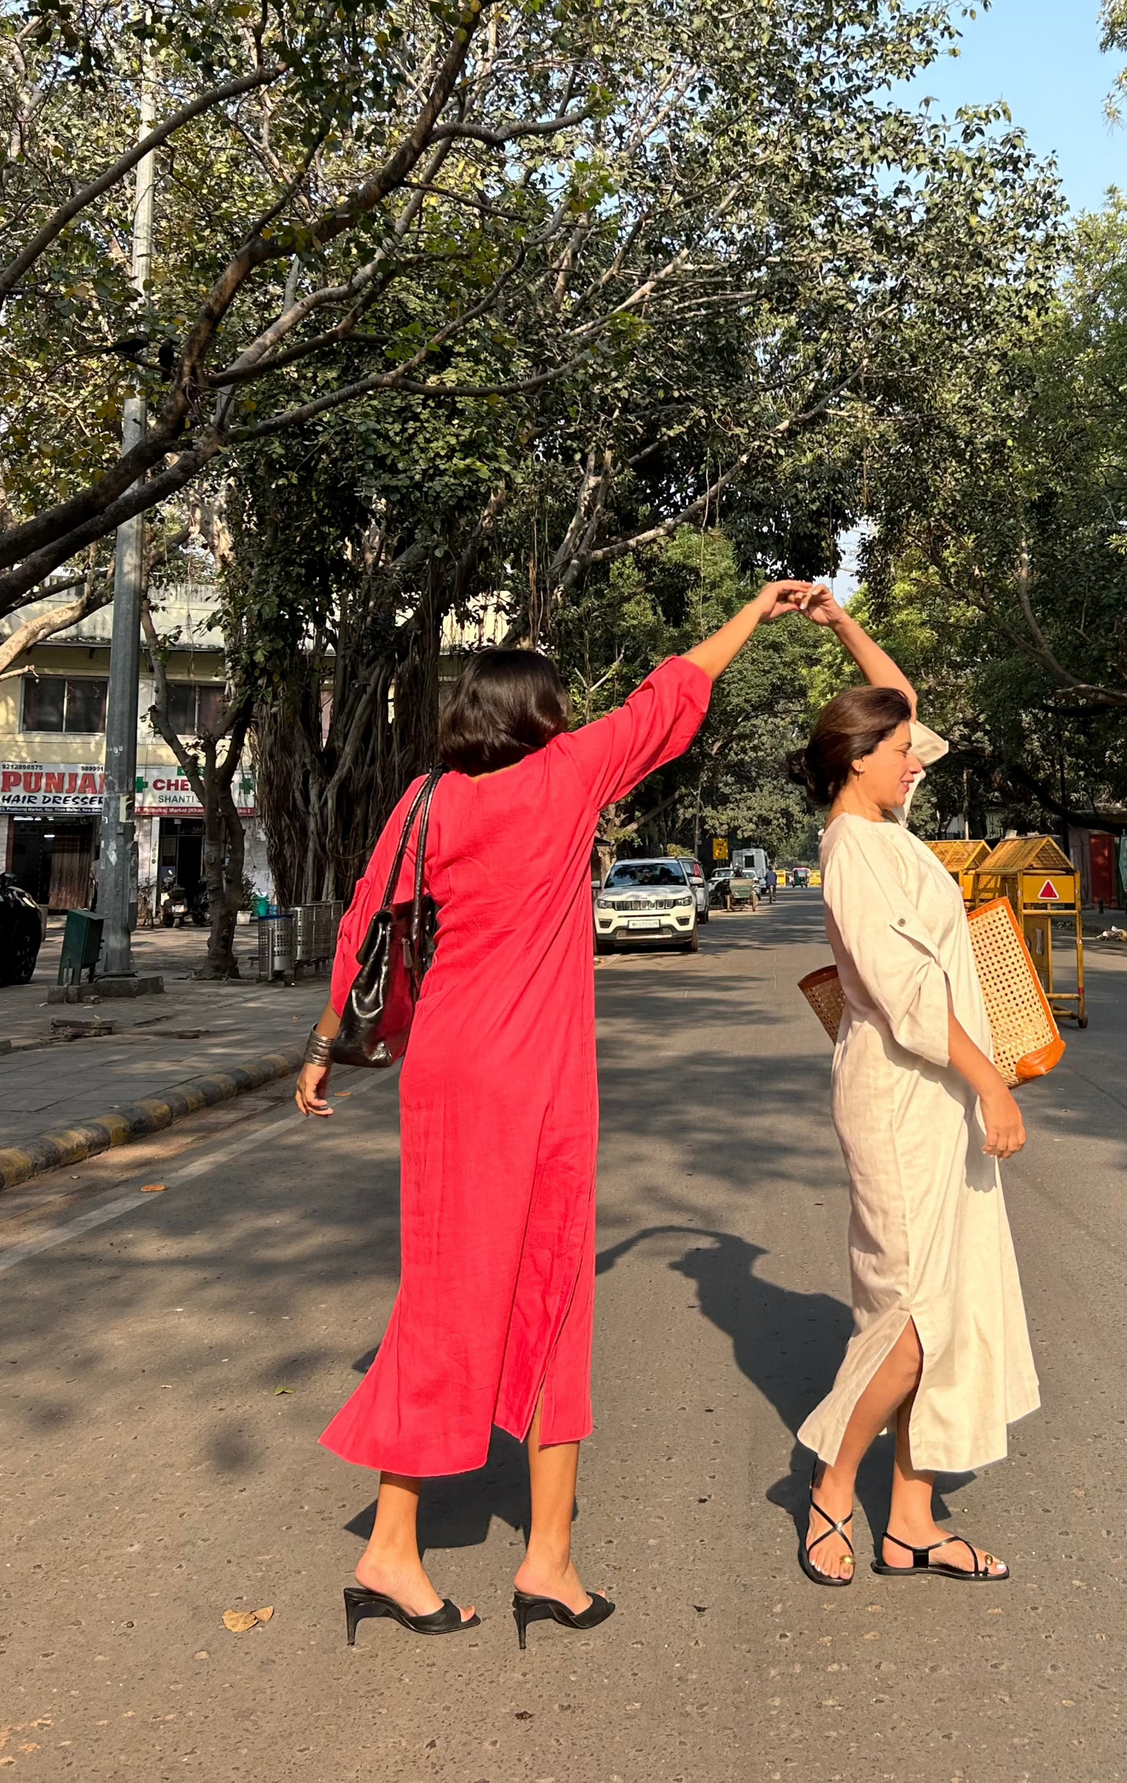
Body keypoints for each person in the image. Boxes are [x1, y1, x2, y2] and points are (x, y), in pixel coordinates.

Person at [296, 582, 811, 1647]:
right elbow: (673, 691)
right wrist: (754, 614)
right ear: (540, 715)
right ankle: (546, 1558)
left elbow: (363, 920)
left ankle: (401, 1548)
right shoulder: (568, 776)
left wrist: (319, 1050)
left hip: (443, 1073)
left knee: (444, 1298)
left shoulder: (427, 801)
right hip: (533, 1078)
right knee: (553, 1294)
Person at [786, 585, 1039, 1587]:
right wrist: (995, 1087)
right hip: (900, 1095)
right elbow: (900, 998)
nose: (912, 757)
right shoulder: (853, 852)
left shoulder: (888, 828)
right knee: (909, 1313)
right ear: (859, 763)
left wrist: (838, 621)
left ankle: (913, 1520)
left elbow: (895, 696)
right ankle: (831, 1488)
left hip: (937, 1096)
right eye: (897, 751)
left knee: (955, 1298)